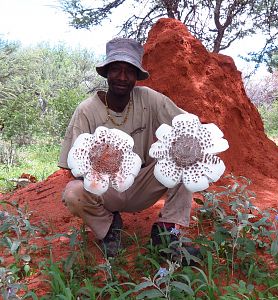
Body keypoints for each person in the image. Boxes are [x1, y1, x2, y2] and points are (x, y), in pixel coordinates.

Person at [59, 38, 197, 258]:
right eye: (116, 70)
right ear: (106, 73)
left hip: (143, 181)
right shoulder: (86, 111)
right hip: (105, 188)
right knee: (73, 192)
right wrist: (99, 172)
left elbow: (187, 125)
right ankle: (109, 227)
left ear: (136, 76)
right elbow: (72, 167)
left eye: (129, 71)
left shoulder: (149, 99)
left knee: (186, 159)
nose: (122, 77)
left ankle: (166, 232)